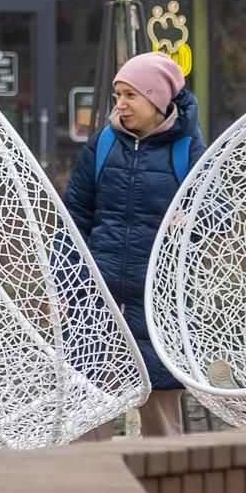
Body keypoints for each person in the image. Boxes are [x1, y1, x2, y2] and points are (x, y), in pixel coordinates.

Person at [64, 50, 203, 438]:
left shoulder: (187, 151)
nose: (120, 105)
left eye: (130, 96)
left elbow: (217, 211)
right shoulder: (102, 145)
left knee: (162, 421)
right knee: (88, 410)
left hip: (157, 304)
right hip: (97, 299)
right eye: (117, 95)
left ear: (157, 100)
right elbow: (73, 218)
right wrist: (67, 281)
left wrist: (191, 219)